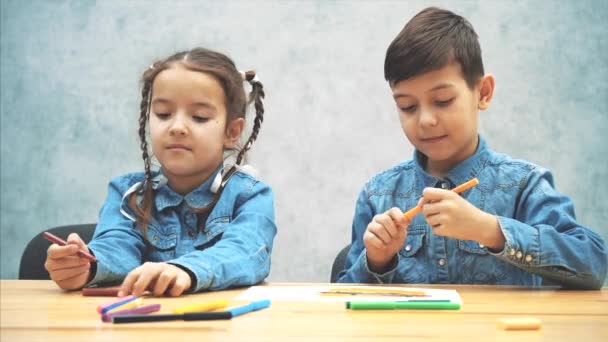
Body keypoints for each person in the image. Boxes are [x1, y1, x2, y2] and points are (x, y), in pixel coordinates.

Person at [337, 7, 607, 289]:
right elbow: (342, 296)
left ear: (483, 93)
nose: (426, 120)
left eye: (442, 101)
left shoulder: (524, 186)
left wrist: (490, 230)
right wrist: (377, 260)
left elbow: (592, 264)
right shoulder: (378, 195)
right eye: (407, 106)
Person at [45, 47, 277, 296]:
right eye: (163, 114)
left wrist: (186, 270)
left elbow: (246, 251)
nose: (177, 127)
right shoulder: (127, 193)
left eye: (199, 117)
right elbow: (117, 246)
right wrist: (86, 265)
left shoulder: (251, 196)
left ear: (232, 132)